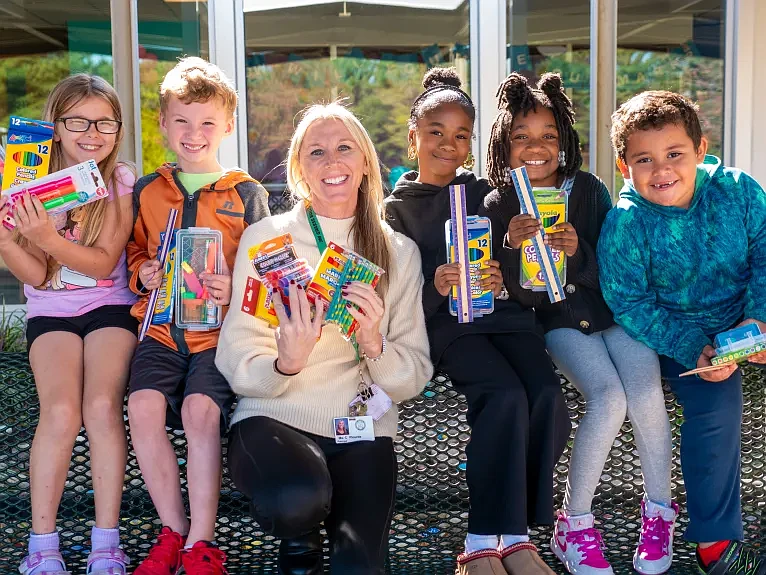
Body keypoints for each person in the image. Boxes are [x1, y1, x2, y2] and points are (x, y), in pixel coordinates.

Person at [216, 102, 432, 574]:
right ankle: (300, 551)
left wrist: (375, 343)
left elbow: (413, 375)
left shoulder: (399, 252)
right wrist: (284, 363)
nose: (332, 162)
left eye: (343, 148)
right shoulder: (266, 238)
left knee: (360, 568)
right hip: (273, 417)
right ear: (298, 169)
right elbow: (234, 354)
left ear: (365, 162)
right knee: (297, 498)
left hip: (361, 427)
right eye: (316, 152)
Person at [481, 73, 675, 575]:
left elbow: (619, 263)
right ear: (505, 143)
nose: (536, 146)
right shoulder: (500, 202)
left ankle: (659, 513)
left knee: (646, 392)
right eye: (521, 136)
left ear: (564, 140)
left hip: (614, 314)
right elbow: (521, 296)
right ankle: (576, 524)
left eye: (548, 135)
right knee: (608, 398)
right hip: (559, 322)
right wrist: (515, 247)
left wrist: (579, 252)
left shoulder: (588, 190)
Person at [385, 68, 569, 575]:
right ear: (413, 137)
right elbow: (395, 298)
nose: (448, 144)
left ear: (472, 141)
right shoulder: (394, 211)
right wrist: (436, 286)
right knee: (503, 396)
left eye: (461, 135)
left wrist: (504, 264)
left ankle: (515, 534)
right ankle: (482, 540)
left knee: (547, 397)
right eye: (435, 133)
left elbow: (520, 269)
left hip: (505, 317)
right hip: (449, 326)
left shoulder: (488, 192)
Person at [598, 90, 766, 575]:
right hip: (680, 332)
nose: (661, 169)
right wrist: (697, 349)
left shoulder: (738, 190)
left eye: (674, 154)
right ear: (623, 166)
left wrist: (757, 320)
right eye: (644, 160)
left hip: (749, 316)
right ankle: (715, 542)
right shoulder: (625, 224)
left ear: (701, 148)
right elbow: (629, 302)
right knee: (717, 403)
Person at [126, 57, 270, 575]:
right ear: (163, 122)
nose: (194, 133)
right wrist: (143, 270)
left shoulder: (247, 193)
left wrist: (234, 288)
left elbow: (267, 273)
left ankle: (203, 543)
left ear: (228, 125)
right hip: (161, 331)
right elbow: (135, 251)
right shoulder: (147, 190)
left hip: (219, 338)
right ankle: (172, 531)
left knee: (199, 414)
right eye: (182, 120)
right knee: (141, 407)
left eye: (208, 121)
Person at [2, 74, 137, 575]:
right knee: (60, 412)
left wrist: (43, 233)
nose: (91, 132)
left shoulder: (120, 180)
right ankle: (42, 547)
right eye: (77, 121)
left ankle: (106, 544)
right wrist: (8, 240)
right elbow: (38, 274)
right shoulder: (26, 180)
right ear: (55, 126)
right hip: (51, 311)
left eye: (104, 122)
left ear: (117, 128)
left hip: (109, 308)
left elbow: (104, 265)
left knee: (101, 405)